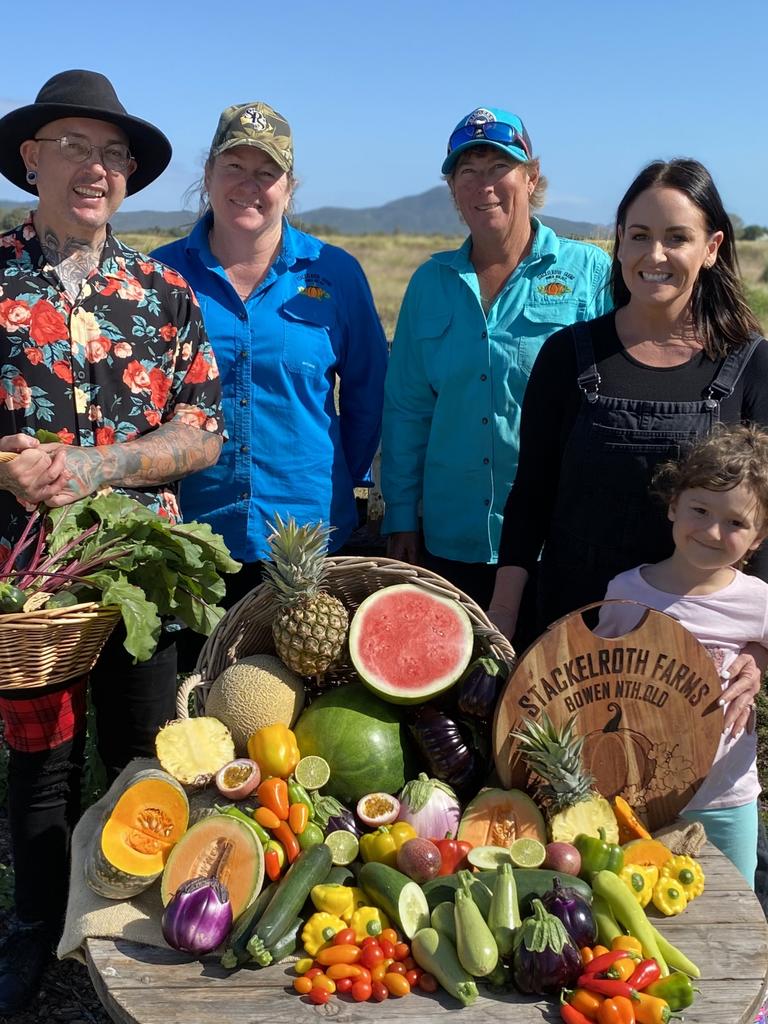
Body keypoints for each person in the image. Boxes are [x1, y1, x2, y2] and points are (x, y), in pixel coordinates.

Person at [0, 70, 223, 1014]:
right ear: (30, 160)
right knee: (40, 767)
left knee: (145, 753)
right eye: (76, 147)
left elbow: (203, 430)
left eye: (114, 153)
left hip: (145, 575)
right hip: (30, 583)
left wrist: (96, 469)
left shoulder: (165, 292)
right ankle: (36, 935)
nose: (97, 168)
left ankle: (134, 937)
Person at [152, 100, 388, 615]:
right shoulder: (159, 276)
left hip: (308, 536)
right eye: (234, 167)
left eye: (266, 172)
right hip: (190, 534)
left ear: (289, 185)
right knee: (194, 691)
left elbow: (370, 394)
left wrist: (340, 480)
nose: (248, 184)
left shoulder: (336, 273)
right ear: (209, 173)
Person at [380, 106, 612, 614]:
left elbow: (615, 400)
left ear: (530, 178)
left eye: (498, 169)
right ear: (454, 191)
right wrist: (401, 514)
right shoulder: (430, 283)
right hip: (451, 536)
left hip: (556, 534)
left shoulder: (589, 271)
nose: (484, 185)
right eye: (468, 172)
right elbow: (407, 409)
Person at [595, 424, 768, 885]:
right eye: (700, 509)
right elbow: (596, 673)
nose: (713, 531)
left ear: (758, 537)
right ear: (673, 506)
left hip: (728, 797)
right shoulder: (626, 590)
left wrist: (758, 663)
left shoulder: (757, 600)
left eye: (736, 523)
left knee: (735, 915)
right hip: (639, 798)